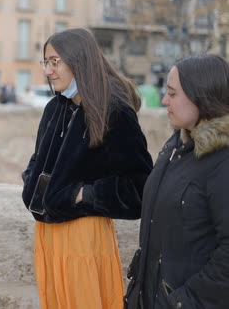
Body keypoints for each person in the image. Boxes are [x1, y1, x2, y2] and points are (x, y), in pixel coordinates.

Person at [21, 28, 153, 309]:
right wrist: (31, 182)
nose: (49, 70)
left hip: (83, 236)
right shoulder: (55, 108)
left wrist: (85, 195)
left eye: (55, 61)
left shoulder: (114, 112)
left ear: (78, 61)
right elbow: (38, 160)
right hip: (47, 237)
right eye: (46, 62)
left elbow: (140, 188)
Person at [124, 55, 229, 309]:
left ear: (200, 96)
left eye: (172, 93)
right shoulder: (177, 145)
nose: (164, 101)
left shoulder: (222, 160)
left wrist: (181, 301)